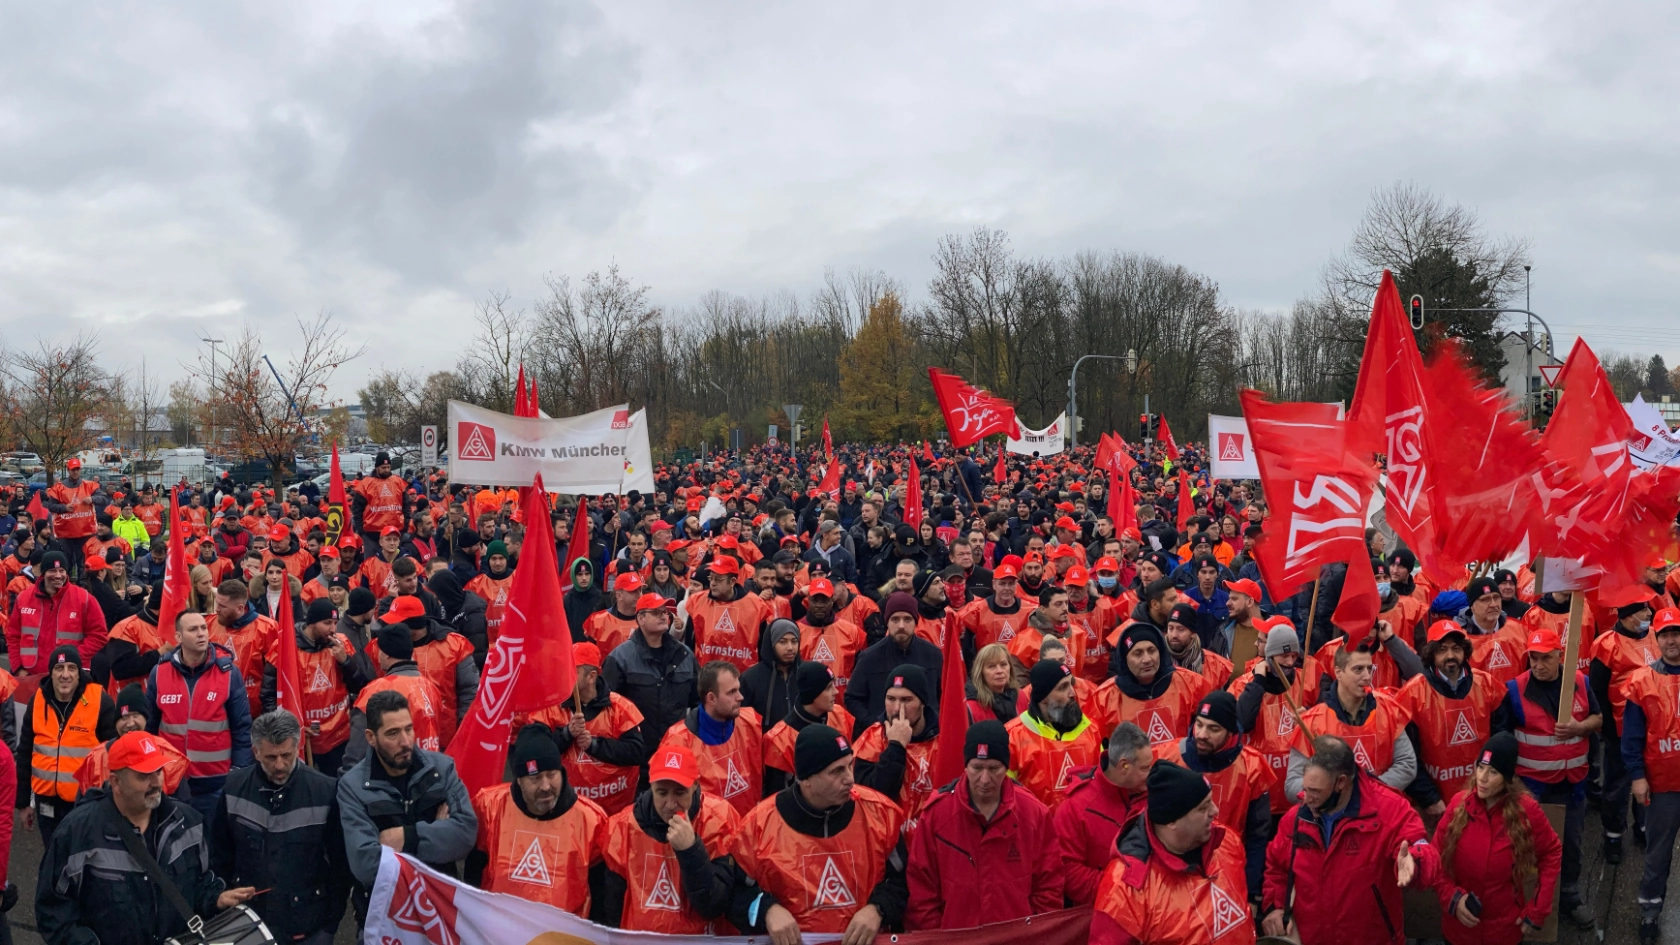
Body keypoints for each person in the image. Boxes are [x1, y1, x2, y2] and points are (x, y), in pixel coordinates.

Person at [36, 731, 256, 945]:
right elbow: (53, 911)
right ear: (116, 782)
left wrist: (215, 898)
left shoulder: (188, 822)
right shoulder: (77, 832)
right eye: (143, 775)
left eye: (158, 771)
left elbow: (199, 883)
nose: (156, 782)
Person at [730, 724, 907, 939]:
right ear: (805, 779)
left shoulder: (880, 814)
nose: (850, 778)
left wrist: (878, 909)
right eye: (837, 771)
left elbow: (903, 882)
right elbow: (733, 893)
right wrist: (767, 910)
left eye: (849, 765)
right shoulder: (758, 826)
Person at [1262, 735, 1441, 945]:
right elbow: (1276, 867)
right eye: (1306, 789)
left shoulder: (1389, 810)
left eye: (1315, 792)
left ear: (1341, 783)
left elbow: (1422, 849)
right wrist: (1276, 907)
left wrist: (1415, 862)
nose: (1305, 798)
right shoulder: (1296, 818)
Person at [903, 720, 1061, 929]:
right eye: (977, 767)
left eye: (993, 768)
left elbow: (1049, 887)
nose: (984, 779)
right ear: (965, 766)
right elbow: (921, 890)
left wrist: (1033, 935)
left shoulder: (1034, 814)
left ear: (1006, 767)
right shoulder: (937, 815)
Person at [1492, 627, 1599, 929]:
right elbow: (1502, 741)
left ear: (1559, 656)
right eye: (1534, 659)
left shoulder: (1580, 683)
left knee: (1571, 846)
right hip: (1532, 790)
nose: (1538, 665)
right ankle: (1525, 902)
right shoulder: (1514, 690)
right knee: (1526, 849)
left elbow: (1598, 718)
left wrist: (1580, 728)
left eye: (1546, 658)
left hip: (1573, 785)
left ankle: (1570, 898)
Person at [211, 710, 349, 945]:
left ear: (297, 748)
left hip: (308, 925)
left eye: (286, 755)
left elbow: (340, 867)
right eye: (270, 757)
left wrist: (329, 926)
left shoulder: (325, 791)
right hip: (249, 922)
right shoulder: (234, 788)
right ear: (256, 752)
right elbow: (219, 854)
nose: (279, 765)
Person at [339, 689, 477, 917]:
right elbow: (365, 865)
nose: (405, 742)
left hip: (442, 909)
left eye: (408, 729)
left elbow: (465, 835)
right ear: (371, 738)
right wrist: (437, 833)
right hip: (387, 916)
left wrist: (406, 838)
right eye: (393, 733)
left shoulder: (442, 770)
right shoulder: (352, 787)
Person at [1088, 760, 1253, 945]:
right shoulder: (1125, 888)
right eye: (1203, 807)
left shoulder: (1226, 841)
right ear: (1171, 821)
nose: (1214, 811)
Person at [599, 743, 745, 932]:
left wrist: (691, 851)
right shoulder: (622, 828)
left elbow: (714, 906)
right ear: (650, 785)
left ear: (695, 786)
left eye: (679, 792)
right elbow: (612, 909)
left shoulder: (719, 821)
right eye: (662, 793)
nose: (670, 804)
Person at [466, 723, 609, 916]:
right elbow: (473, 872)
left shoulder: (591, 820)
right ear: (519, 780)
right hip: (499, 929)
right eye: (535, 778)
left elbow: (601, 892)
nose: (545, 786)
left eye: (551, 775)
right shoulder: (490, 807)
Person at [1433, 732, 1561, 945]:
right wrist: (1452, 898)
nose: (1482, 778)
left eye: (1493, 772)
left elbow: (1551, 852)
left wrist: (1538, 908)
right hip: (1459, 933)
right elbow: (1433, 858)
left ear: (1507, 779)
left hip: (1505, 934)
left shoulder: (1527, 811)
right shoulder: (1457, 805)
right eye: (1480, 767)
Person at [1153, 690, 1275, 900]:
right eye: (1199, 724)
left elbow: (1258, 836)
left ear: (1230, 732)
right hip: (1173, 871)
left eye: (1213, 728)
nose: (1201, 734)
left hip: (1227, 868)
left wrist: (1251, 892)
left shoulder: (1251, 766)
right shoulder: (1166, 757)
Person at [145, 609, 253, 820]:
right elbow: (150, 726)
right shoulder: (159, 673)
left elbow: (242, 727)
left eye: (204, 628)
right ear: (178, 637)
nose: (202, 633)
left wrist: (238, 772)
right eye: (193, 629)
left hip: (216, 783)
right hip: (171, 782)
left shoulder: (228, 673)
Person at [517, 642, 646, 816]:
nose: (564, 676)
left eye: (573, 671)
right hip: (569, 810)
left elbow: (636, 753)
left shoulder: (621, 708)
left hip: (614, 810)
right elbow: (533, 750)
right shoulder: (550, 708)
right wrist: (566, 734)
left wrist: (595, 746)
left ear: (591, 677)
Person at [1394, 619, 1501, 815]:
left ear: (1465, 651)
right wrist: (1430, 799)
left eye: (1456, 648)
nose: (1450, 655)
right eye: (1442, 649)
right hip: (1437, 806)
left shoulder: (1488, 686)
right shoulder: (1412, 695)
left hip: (1483, 797)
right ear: (1431, 654)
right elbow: (1407, 757)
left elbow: (1501, 741)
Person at [1619, 606, 1680, 942]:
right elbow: (1631, 737)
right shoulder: (1641, 681)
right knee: (1658, 853)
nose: (1672, 640)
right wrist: (1636, 776)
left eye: (1677, 633)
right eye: (1666, 635)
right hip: (1662, 786)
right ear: (1657, 640)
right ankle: (1649, 911)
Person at [1287, 640, 1416, 799]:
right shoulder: (1310, 722)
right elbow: (1293, 784)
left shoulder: (1389, 710)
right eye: (1358, 670)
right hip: (1331, 816)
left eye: (1369, 669)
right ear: (1338, 672)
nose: (1367, 676)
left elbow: (1407, 764)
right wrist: (1332, 793)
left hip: (1379, 810)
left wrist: (1369, 792)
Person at [18, 646, 117, 846]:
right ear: (51, 673)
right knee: (53, 855)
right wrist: (22, 803)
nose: (65, 675)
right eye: (59, 668)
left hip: (84, 802)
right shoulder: (37, 700)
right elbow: (25, 753)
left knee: (82, 858)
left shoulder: (100, 701)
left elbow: (113, 755)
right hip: (45, 799)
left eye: (71, 668)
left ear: (80, 673)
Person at [1589, 583, 1657, 864]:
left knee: (1649, 780)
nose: (1648, 613)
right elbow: (1597, 690)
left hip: (1654, 728)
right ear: (1627, 614)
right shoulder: (1607, 645)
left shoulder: (1654, 636)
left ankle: (1644, 826)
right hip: (1620, 731)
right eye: (1642, 609)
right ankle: (1613, 835)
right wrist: (1606, 728)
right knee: (1617, 785)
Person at [1055, 721, 1154, 905]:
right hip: (1101, 913)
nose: (1151, 774)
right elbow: (1067, 871)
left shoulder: (1153, 796)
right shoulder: (1075, 808)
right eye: (1144, 768)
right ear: (1124, 765)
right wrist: (1124, 890)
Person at [1233, 622, 1325, 815]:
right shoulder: (1243, 685)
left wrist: (1309, 715)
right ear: (1270, 655)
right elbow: (1242, 723)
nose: (1290, 662)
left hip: (1296, 793)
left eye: (1293, 656)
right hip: (1260, 793)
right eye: (1284, 656)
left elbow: (1327, 724)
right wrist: (1258, 683)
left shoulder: (1307, 681)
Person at [268, 598, 367, 774]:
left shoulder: (340, 644)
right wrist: (287, 726)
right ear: (311, 623)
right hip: (302, 738)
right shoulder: (284, 647)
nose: (333, 629)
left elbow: (360, 686)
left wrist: (346, 662)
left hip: (339, 736)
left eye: (335, 623)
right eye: (327, 623)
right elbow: (269, 694)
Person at [603, 591, 699, 768]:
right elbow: (607, 710)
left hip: (676, 753)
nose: (663, 616)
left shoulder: (684, 655)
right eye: (656, 613)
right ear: (640, 618)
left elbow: (697, 702)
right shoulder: (620, 658)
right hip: (638, 757)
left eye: (665, 612)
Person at [657, 661, 763, 817]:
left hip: (749, 831)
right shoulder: (677, 742)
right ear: (711, 698)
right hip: (707, 835)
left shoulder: (751, 722)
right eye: (731, 692)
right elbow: (669, 803)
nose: (740, 697)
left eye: (738, 690)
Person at [1091, 622, 1212, 746]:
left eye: (1151, 650)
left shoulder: (1192, 684)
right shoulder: (1103, 699)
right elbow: (1095, 747)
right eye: (1138, 653)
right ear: (1125, 658)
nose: (1147, 659)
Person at [1005, 659, 1102, 810]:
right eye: (1063, 687)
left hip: (1083, 829)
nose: (1072, 693)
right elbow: (1005, 797)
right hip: (1037, 830)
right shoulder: (1012, 738)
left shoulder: (1092, 730)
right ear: (1043, 698)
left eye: (1071, 684)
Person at [843, 591, 942, 735]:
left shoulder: (933, 655)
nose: (901, 625)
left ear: (916, 621)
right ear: (887, 622)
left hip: (927, 738)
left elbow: (945, 695)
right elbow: (852, 698)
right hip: (882, 738)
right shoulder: (869, 657)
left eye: (907, 619)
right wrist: (875, 724)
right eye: (895, 619)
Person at [852, 663, 942, 814]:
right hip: (889, 833)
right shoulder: (870, 740)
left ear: (922, 702)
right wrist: (895, 748)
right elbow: (871, 800)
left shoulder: (943, 739)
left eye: (906, 700)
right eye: (891, 699)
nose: (896, 709)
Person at [5, 551, 107, 676]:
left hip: (70, 676)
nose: (58, 575)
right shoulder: (24, 598)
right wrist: (18, 668)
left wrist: (74, 658)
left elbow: (99, 635)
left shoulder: (84, 599)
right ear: (43, 573)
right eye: (52, 570)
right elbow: (13, 636)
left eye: (62, 570)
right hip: (30, 674)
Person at [764, 662, 855, 795]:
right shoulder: (779, 740)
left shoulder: (841, 715)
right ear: (812, 694)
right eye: (829, 687)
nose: (836, 692)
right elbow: (777, 796)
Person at [206, 577, 280, 713]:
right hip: (215, 706)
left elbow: (275, 676)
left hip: (252, 710)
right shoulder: (209, 624)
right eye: (217, 603)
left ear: (240, 608)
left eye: (222, 606)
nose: (217, 609)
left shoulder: (267, 629)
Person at [686, 557, 772, 673]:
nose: (712, 583)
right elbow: (689, 643)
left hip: (743, 677)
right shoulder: (697, 602)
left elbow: (763, 647)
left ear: (732, 581)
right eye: (711, 578)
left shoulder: (756, 605)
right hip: (706, 677)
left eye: (718, 579)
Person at [797, 578, 867, 703]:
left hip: (844, 707)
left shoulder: (852, 631)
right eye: (815, 600)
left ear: (832, 600)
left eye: (824, 600)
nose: (819, 605)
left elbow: (863, 672)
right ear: (808, 600)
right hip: (808, 706)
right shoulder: (796, 632)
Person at [739, 618, 801, 732]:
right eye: (783, 642)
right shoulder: (751, 678)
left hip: (801, 745)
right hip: (765, 745)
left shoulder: (806, 675)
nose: (790, 648)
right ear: (771, 644)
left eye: (794, 641)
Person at [965, 641, 1026, 723]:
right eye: (992, 666)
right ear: (980, 672)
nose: (999, 671)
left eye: (1003, 664)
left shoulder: (1021, 696)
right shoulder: (970, 707)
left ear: (1010, 668)